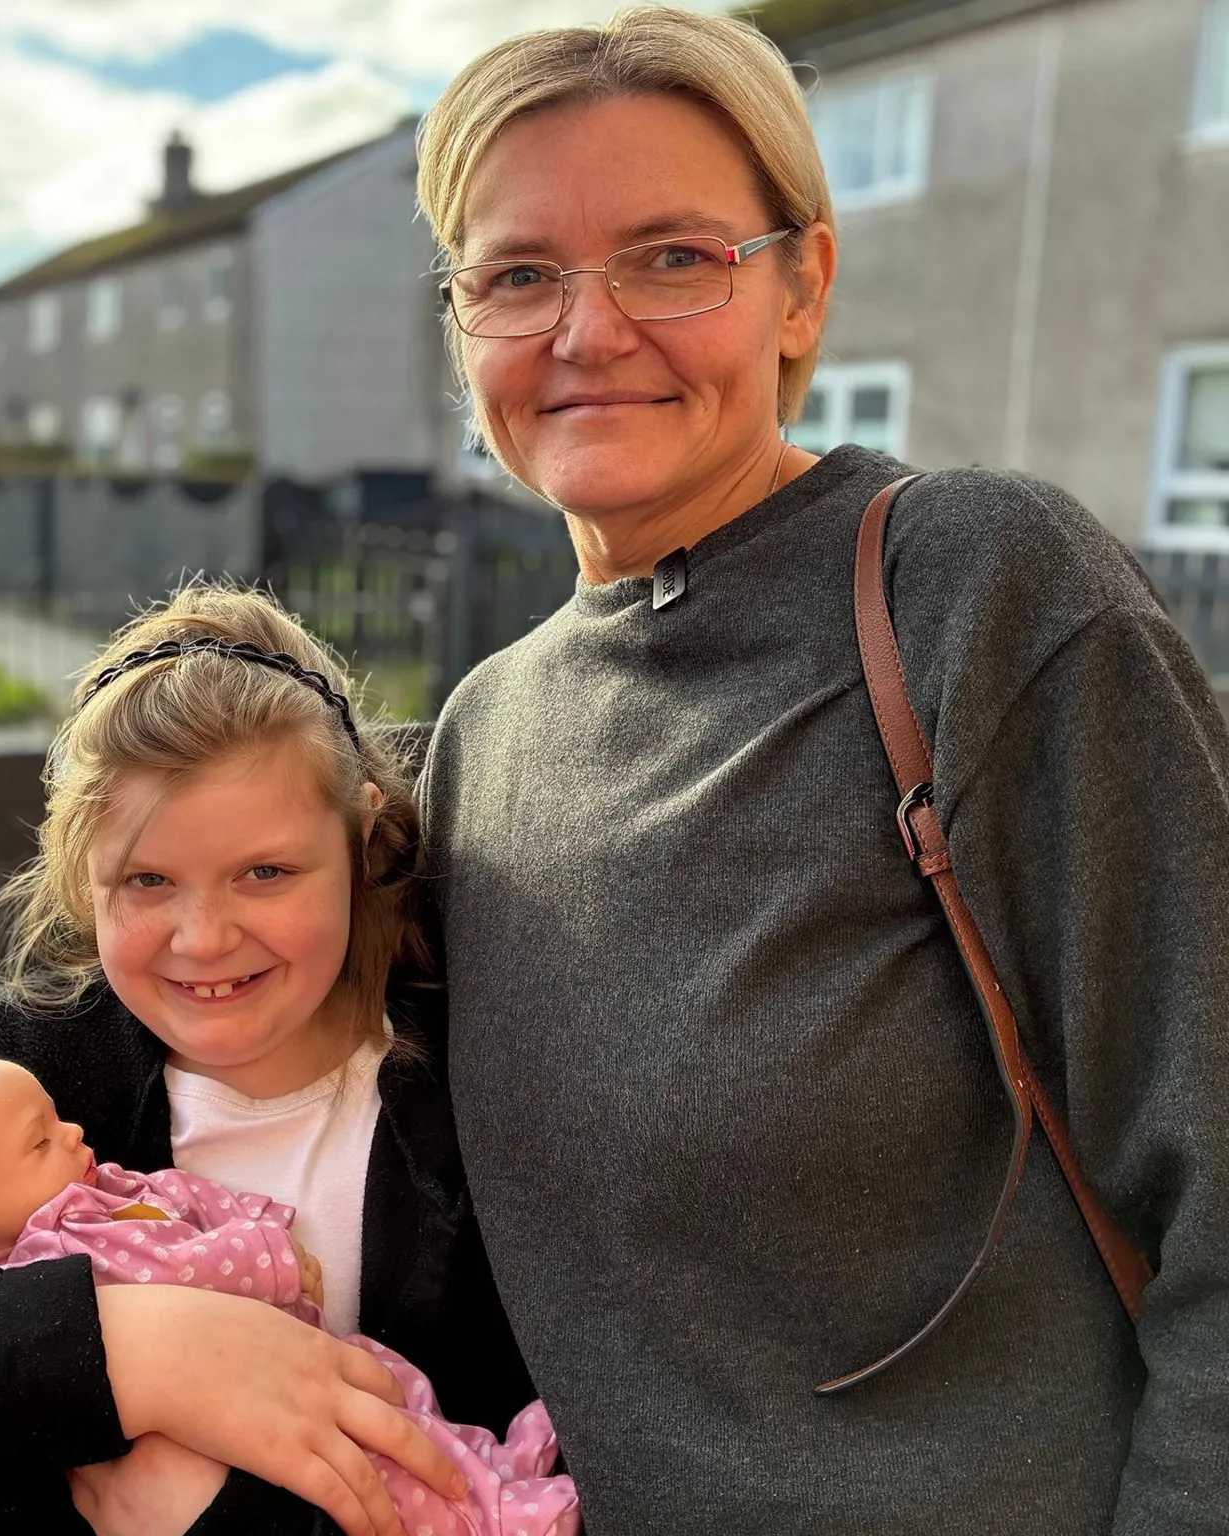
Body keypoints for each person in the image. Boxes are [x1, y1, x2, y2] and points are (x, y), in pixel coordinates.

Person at [414, 7, 1229, 1534]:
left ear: (802, 286)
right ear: (464, 328)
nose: (588, 333)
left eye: (673, 258)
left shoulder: (976, 592)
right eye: (519, 275)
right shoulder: (484, 734)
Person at [0, 585, 539, 1536]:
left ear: (358, 837)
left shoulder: (481, 1084)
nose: (204, 937)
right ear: (81, 870)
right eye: (148, 881)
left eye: (265, 873)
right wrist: (126, 1352)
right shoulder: (23, 1063)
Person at [0, 1056, 578, 1536]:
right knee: (382, 1476)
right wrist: (269, 1257)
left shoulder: (98, 1196)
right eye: (39, 1141)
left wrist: (261, 1227)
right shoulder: (54, 1254)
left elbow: (189, 1202)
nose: (72, 1131)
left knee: (405, 1409)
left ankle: (497, 1470)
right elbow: (178, 1277)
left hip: (301, 1367)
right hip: (258, 1437)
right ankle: (501, 1517)